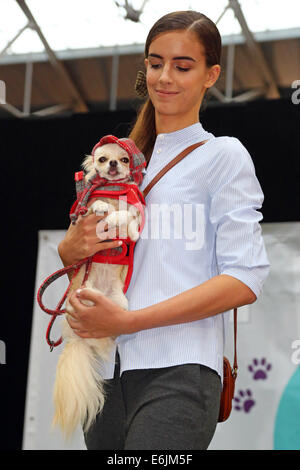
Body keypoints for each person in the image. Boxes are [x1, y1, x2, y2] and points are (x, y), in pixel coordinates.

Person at [58, 10, 270, 450]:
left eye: (182, 65)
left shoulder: (224, 156)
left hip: (179, 368)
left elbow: (246, 277)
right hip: (103, 370)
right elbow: (88, 255)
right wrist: (69, 248)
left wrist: (129, 320)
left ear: (211, 75)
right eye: (155, 64)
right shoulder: (116, 162)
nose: (165, 77)